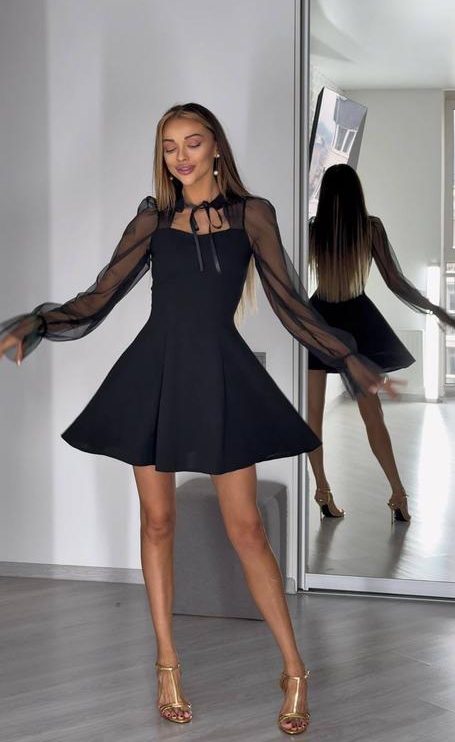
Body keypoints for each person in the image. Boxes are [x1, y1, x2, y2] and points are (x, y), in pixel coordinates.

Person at [0, 104, 397, 736]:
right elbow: (100, 296)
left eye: (192, 143)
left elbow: (290, 302)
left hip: (219, 376)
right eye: (169, 146)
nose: (180, 156)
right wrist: (38, 323)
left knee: (248, 530)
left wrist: (348, 357)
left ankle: (294, 669)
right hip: (153, 376)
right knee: (157, 522)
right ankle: (166, 663)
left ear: (216, 148)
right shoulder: (151, 220)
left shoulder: (252, 215)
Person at [307, 163, 455, 525]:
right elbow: (395, 280)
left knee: (312, 416)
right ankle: (398, 495)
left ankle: (323, 490)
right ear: (356, 193)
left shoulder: (314, 230)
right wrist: (434, 307)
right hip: (357, 321)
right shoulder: (369, 227)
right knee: (373, 415)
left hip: (320, 319)